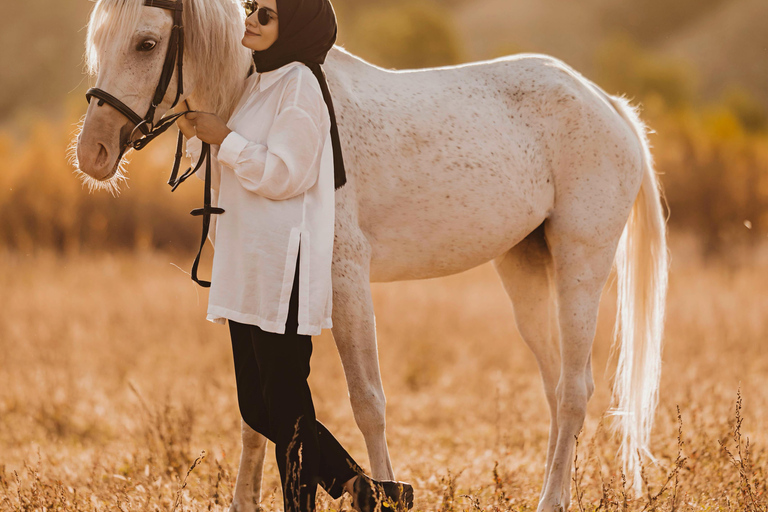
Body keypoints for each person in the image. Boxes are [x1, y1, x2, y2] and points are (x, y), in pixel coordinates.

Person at [176, 1, 414, 512]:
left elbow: (287, 174)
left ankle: (302, 504)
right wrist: (208, 134)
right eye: (250, 9)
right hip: (248, 267)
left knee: (284, 400)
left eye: (266, 14)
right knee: (259, 405)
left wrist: (226, 138)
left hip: (284, 266)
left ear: (296, 28)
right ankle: (364, 490)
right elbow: (244, 164)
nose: (251, 20)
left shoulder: (303, 84)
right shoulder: (259, 84)